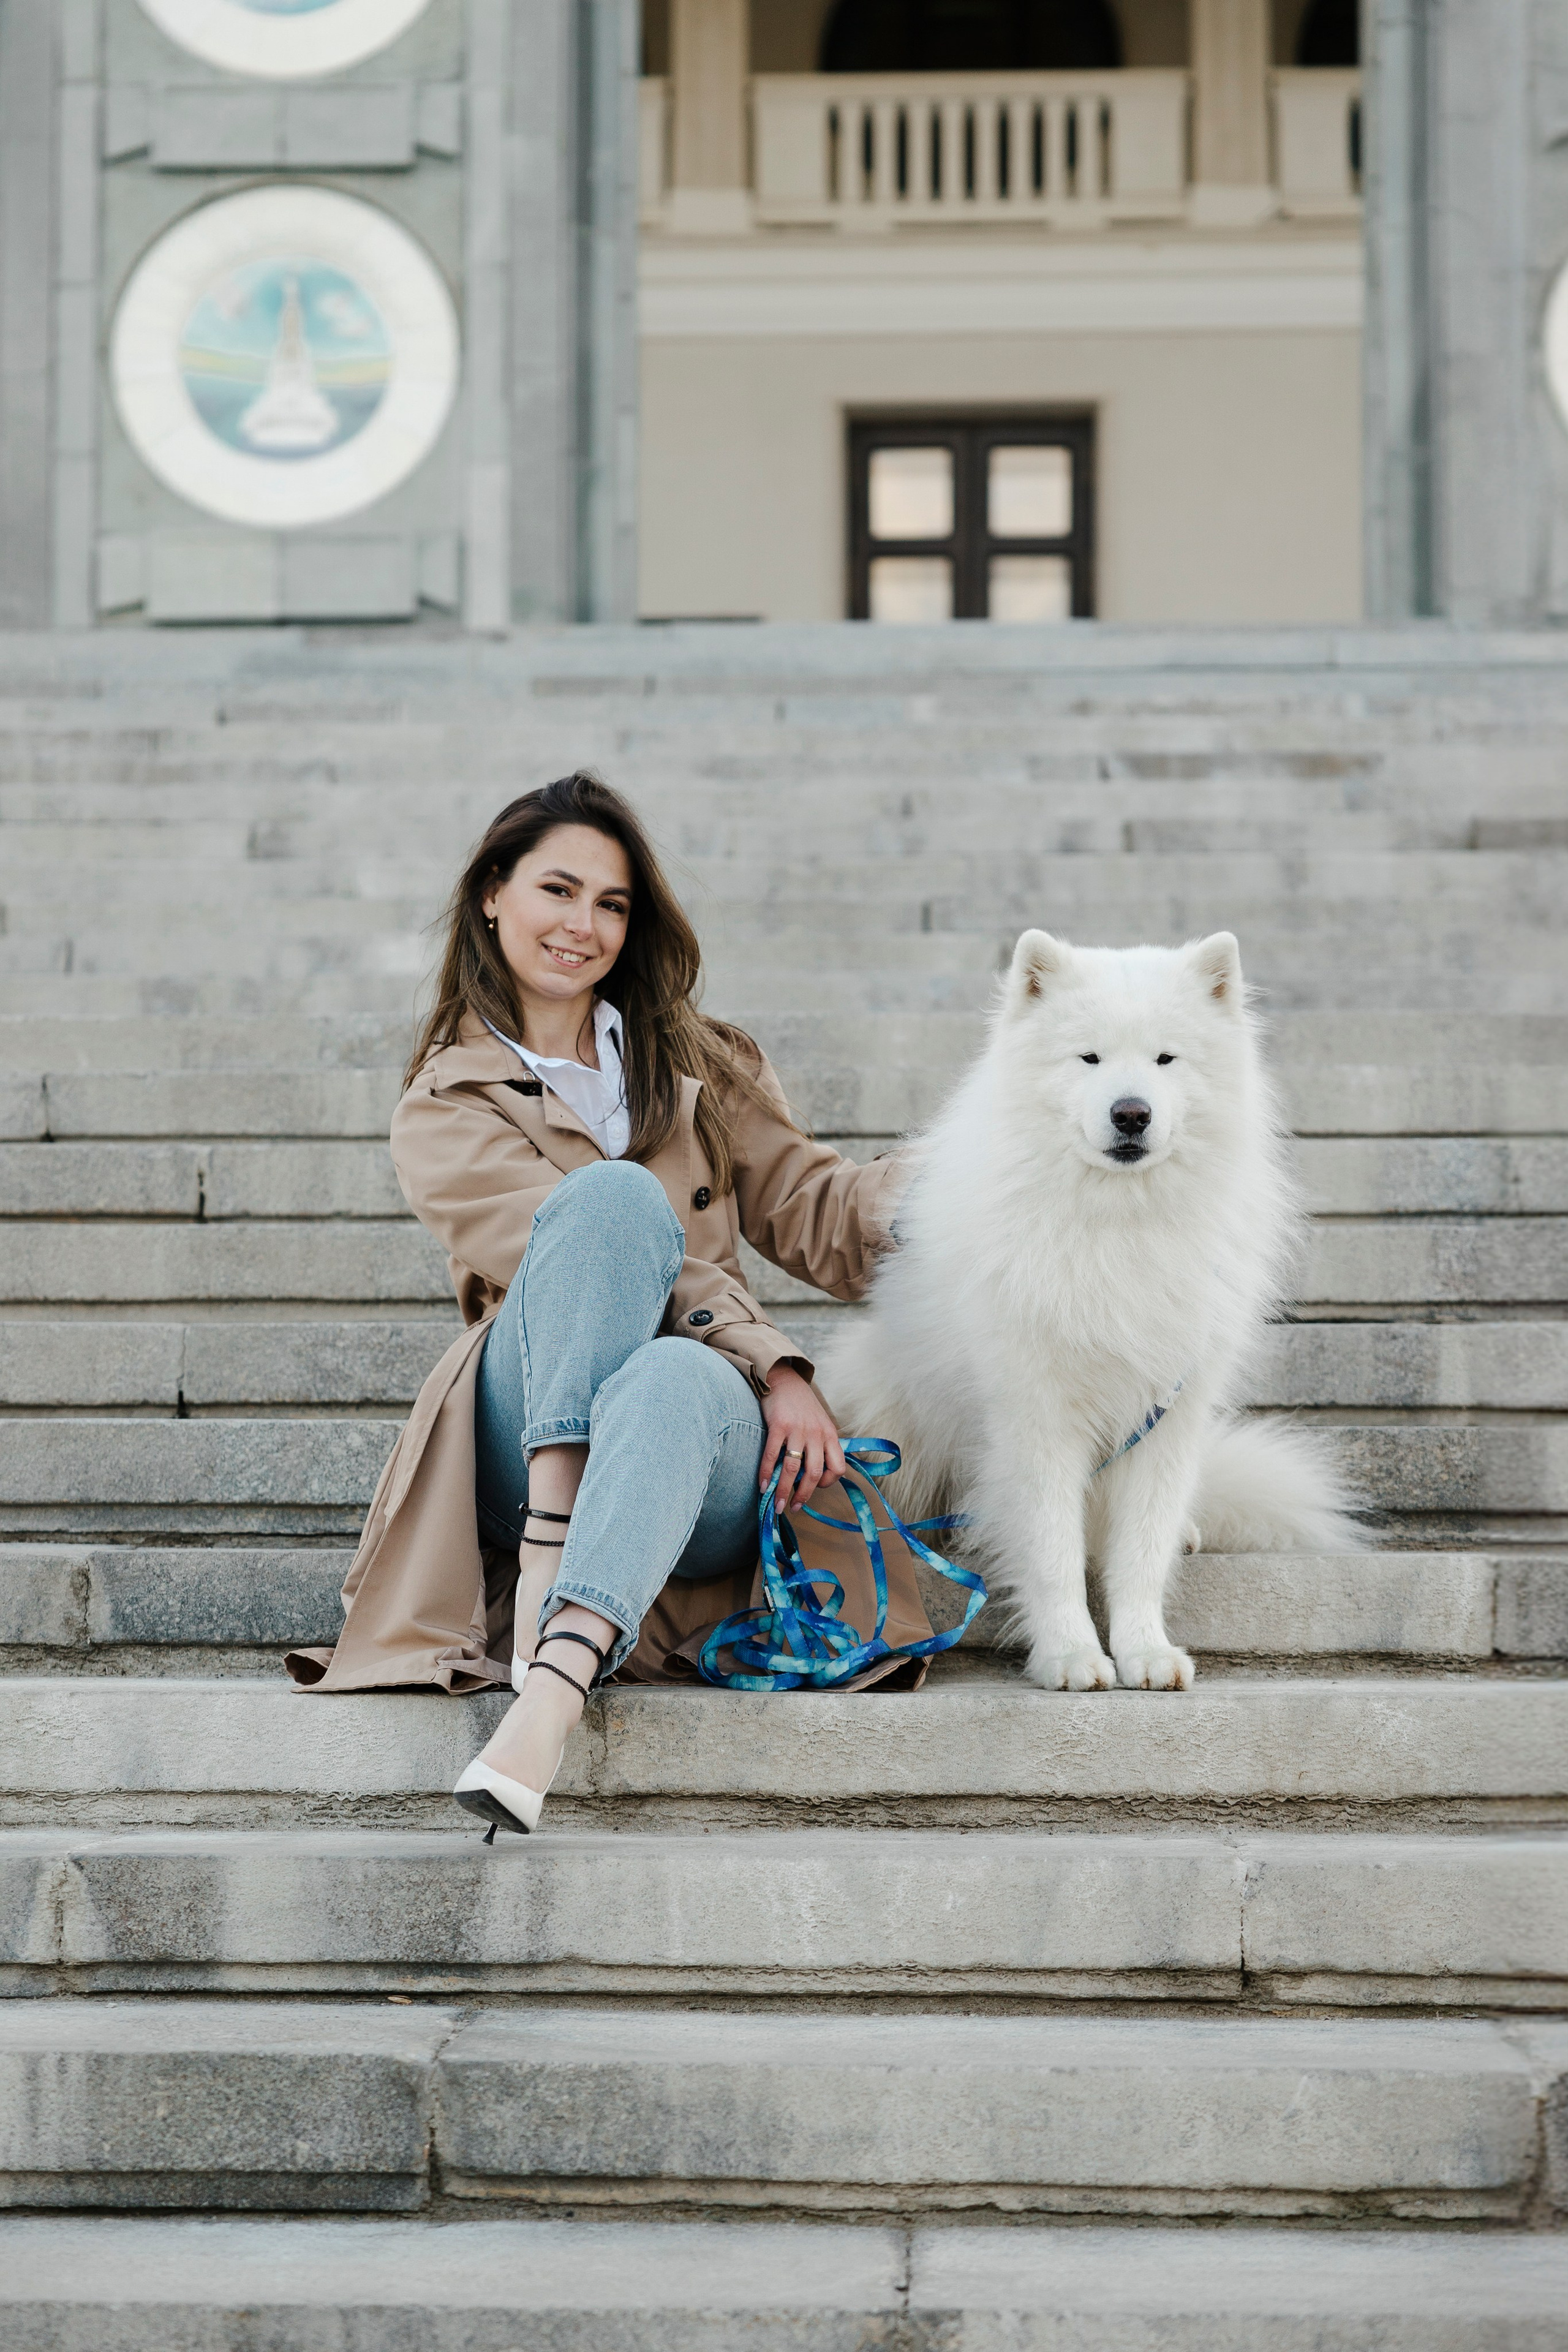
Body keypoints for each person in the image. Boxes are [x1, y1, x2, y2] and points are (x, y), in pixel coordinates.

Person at [284, 772, 907, 1836]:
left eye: (612, 904)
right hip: (520, 1439)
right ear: (493, 893)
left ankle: (549, 1694)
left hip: (693, 1437)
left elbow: (824, 1215)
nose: (584, 926)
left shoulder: (701, 1066)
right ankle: (547, 1572)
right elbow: (609, 1249)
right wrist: (776, 1361)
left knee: (671, 1372)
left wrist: (989, 1158)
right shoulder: (445, 1104)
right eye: (558, 891)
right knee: (612, 1206)